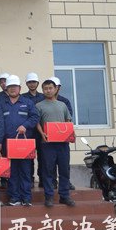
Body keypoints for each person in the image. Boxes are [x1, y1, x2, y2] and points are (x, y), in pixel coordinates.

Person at [1, 75, 39, 207]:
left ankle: (26, 198)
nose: (12, 89)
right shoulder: (2, 104)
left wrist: (25, 125)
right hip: (8, 143)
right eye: (10, 87)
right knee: (12, 172)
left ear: (20, 88)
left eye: (15, 87)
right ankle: (14, 197)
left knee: (25, 171)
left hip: (24, 144)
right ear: (6, 89)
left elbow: (35, 117)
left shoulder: (27, 102)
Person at [36, 79, 75, 208]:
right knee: (48, 171)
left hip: (63, 144)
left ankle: (64, 196)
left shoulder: (62, 105)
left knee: (64, 170)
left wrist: (71, 133)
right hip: (47, 143)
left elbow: (68, 121)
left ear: (55, 89)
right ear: (43, 90)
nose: (48, 90)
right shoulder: (39, 106)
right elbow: (37, 122)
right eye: (45, 88)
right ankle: (49, 196)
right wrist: (42, 133)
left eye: (50, 88)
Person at [22, 72, 46, 188]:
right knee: (29, 158)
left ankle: (42, 178)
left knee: (43, 157)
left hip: (42, 133)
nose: (32, 84)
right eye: (30, 82)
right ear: (26, 83)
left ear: (38, 83)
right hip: (29, 132)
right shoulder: (23, 98)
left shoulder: (43, 97)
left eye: (34, 82)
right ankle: (30, 179)